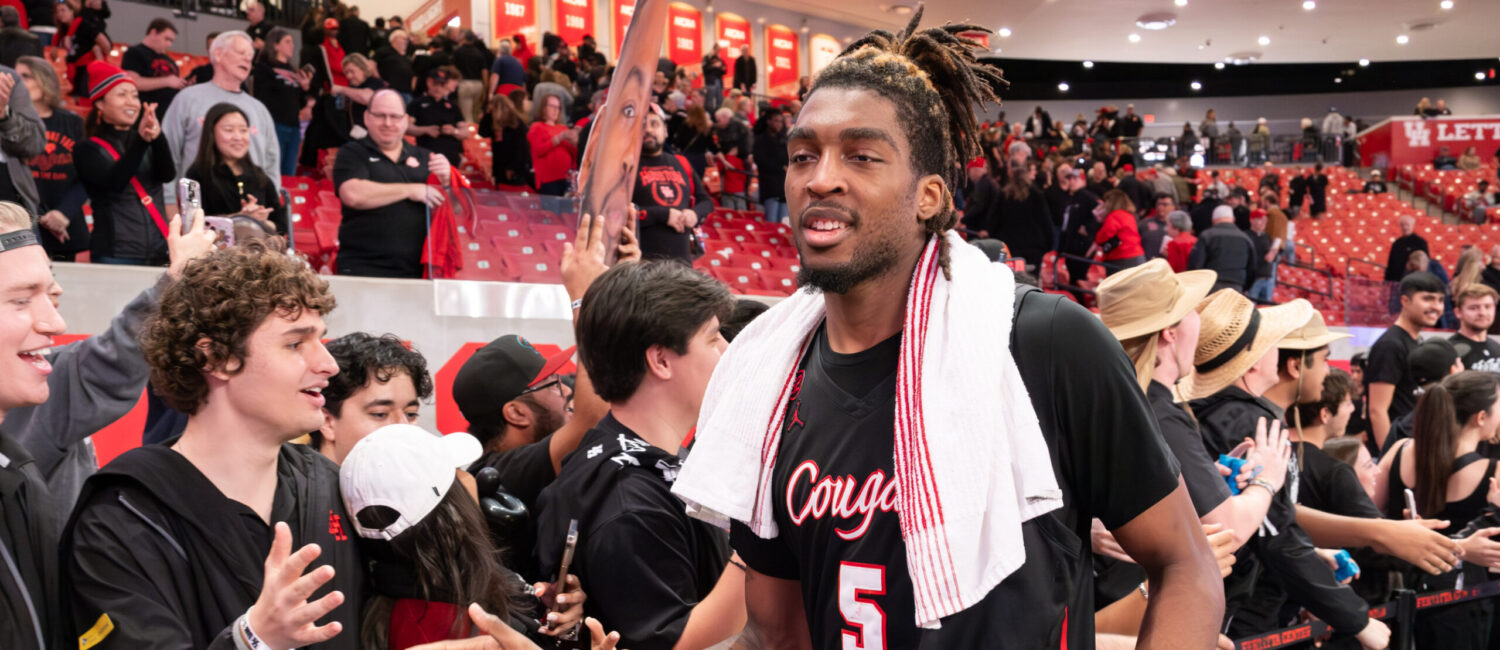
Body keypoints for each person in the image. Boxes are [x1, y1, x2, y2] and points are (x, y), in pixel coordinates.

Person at [674, 13, 1223, 648]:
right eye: (803, 155)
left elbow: (1187, 566)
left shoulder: (1043, 343)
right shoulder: (767, 377)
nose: (819, 177)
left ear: (929, 195)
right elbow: (775, 633)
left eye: (862, 155)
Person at [63, 245, 363, 649]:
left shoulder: (332, 485)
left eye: (321, 340)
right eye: (295, 344)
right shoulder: (121, 519)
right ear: (215, 357)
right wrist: (252, 641)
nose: (328, 364)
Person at [532, 260, 746, 649]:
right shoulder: (631, 503)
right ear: (661, 360)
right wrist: (763, 543)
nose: (727, 351)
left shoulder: (619, 454)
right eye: (713, 338)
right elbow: (679, 643)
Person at [1185, 292, 1391, 646]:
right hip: (1239, 612)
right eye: (1325, 361)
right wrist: (1356, 619)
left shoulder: (1247, 416)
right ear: (1293, 367)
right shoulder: (1248, 421)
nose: (1329, 373)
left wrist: (1313, 555)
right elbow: (1272, 536)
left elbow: (1272, 524)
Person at [339, 423, 606, 649]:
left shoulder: (451, 587)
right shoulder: (447, 631)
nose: (470, 477)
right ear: (450, 510)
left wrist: (554, 614)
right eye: (457, 472)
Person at [1377, 371, 1500, 650]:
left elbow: (1365, 520)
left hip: (1398, 599)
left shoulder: (1399, 450)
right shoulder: (1494, 472)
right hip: (1464, 611)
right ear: (1481, 417)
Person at [333, 89, 452, 278]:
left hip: (417, 272)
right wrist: (411, 190)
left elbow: (455, 213)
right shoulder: (352, 153)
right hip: (362, 269)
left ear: (405, 121)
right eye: (380, 116)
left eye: (394, 117)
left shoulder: (426, 157)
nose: (387, 123)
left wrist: (446, 181)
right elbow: (352, 195)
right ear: (367, 117)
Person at [162, 31, 281, 205]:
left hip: (253, 217)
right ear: (218, 54)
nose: (247, 59)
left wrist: (271, 204)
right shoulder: (187, 99)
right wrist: (169, 202)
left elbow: (271, 164)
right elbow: (168, 154)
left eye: (250, 56)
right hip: (198, 210)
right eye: (241, 53)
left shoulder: (259, 109)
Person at [77, 61, 173, 265]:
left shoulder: (143, 139)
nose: (131, 102)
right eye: (122, 95)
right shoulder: (87, 149)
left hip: (158, 251)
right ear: (100, 104)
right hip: (115, 253)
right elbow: (114, 183)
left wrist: (157, 137)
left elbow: (167, 174)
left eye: (135, 95)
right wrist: (142, 141)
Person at [310, 332, 432, 465]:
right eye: (380, 414)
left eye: (411, 414)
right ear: (326, 422)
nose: (403, 428)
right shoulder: (290, 483)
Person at [17, 56, 89, 259]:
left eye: (26, 76)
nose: (17, 81)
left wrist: (64, 212)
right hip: (22, 226)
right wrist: (42, 217)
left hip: (65, 226)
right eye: (15, 76)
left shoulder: (72, 123)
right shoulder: (9, 124)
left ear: (44, 80)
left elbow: (86, 175)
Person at [1368, 271, 1447, 452]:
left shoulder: (1416, 341)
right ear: (1405, 301)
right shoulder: (1390, 345)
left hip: (1413, 447)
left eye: (1440, 300)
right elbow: (1377, 411)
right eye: (1428, 299)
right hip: (1397, 452)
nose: (1436, 306)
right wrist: (1390, 459)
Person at [183, 102, 288, 234]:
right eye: (229, 130)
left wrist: (259, 221)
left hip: (258, 252)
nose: (238, 137)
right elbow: (193, 225)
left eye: (243, 130)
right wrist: (240, 218)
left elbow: (282, 226)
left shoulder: (259, 176)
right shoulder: (196, 176)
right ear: (211, 133)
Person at [635, 107, 711, 263]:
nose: (648, 130)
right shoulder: (627, 166)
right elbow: (617, 212)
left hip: (682, 264)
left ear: (666, 131)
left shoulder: (681, 162)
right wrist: (664, 215)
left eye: (654, 124)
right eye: (642, 125)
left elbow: (706, 202)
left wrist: (695, 214)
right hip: (642, 265)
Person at [252, 27, 312, 178]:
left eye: (292, 42)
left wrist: (305, 88)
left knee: (289, 173)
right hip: (275, 125)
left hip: (294, 127)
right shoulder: (264, 68)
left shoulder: (294, 70)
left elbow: (297, 100)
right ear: (275, 45)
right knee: (273, 172)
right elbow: (261, 98)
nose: (292, 45)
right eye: (287, 42)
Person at [120, 19, 185, 121]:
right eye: (166, 39)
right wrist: (167, 81)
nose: (169, 44)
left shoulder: (170, 60)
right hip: (144, 115)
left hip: (168, 116)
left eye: (171, 41)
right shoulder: (135, 52)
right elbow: (132, 82)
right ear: (153, 32)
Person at [995, 161, 1055, 269]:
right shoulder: (1037, 195)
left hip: (1010, 244)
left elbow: (996, 220)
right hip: (1035, 246)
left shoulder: (1004, 195)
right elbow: (1045, 220)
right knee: (1031, 279)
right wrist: (1050, 243)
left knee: (1013, 277)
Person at [1189, 205, 1257, 293]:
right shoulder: (1245, 238)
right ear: (1233, 219)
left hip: (1211, 286)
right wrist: (1244, 286)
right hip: (1236, 287)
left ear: (1213, 220)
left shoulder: (1207, 235)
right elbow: (1252, 268)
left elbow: (1196, 264)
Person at [407, 67, 466, 168]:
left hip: (451, 156)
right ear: (429, 83)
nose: (438, 88)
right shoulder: (417, 103)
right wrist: (425, 130)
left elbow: (465, 132)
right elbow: (406, 127)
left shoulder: (453, 106)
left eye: (442, 85)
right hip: (428, 155)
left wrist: (454, 131)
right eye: (435, 84)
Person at [1085, 188, 1144, 274]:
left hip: (1122, 258)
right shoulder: (1129, 215)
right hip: (1137, 256)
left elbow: (1105, 234)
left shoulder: (1114, 215)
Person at [527, 92, 576, 196]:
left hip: (566, 179)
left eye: (558, 107)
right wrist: (558, 139)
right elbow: (538, 150)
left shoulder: (563, 128)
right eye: (552, 106)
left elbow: (574, 154)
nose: (555, 110)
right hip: (548, 180)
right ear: (544, 108)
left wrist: (574, 142)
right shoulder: (537, 127)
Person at [481, 92, 531, 188]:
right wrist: (487, 114)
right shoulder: (494, 123)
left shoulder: (516, 123)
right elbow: (482, 132)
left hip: (514, 168)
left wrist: (512, 168)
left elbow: (521, 148)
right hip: (500, 167)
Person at [1450, 284, 1500, 373]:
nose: (1482, 313)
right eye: (1473, 308)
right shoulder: (1451, 350)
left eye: (1488, 307)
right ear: (1458, 312)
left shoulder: (1497, 347)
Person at [752, 107, 790, 224]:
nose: (778, 124)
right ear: (768, 121)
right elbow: (762, 161)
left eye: (780, 121)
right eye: (775, 121)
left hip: (784, 187)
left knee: (784, 223)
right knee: (771, 223)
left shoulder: (784, 140)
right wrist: (781, 167)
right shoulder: (759, 140)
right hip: (769, 186)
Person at [1385, 215, 1429, 284]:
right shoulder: (1397, 243)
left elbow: (1426, 262)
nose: (1405, 227)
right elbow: (1391, 263)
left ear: (1412, 225)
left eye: (1407, 225)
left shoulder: (1420, 242)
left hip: (1414, 281)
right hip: (1396, 281)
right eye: (1402, 225)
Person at [374, 29, 415, 97]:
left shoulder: (406, 56)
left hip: (407, 91)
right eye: (403, 39)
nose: (406, 41)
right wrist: (379, 79)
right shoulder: (383, 51)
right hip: (390, 90)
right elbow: (371, 65)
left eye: (406, 39)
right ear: (394, 39)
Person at [1247, 212, 1276, 303]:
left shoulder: (1267, 237)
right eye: (1260, 219)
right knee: (1251, 307)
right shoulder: (1247, 236)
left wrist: (1273, 254)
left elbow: (1271, 256)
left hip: (1267, 278)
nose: (1264, 222)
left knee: (1266, 308)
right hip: (1253, 278)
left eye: (1265, 220)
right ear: (1252, 220)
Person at [1140, 193, 1174, 261]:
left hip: (1168, 266)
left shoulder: (1177, 226)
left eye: (1165, 205)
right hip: (1147, 264)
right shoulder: (1144, 223)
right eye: (1159, 204)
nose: (1160, 207)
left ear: (1173, 207)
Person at [701, 43, 725, 113]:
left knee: (720, 100)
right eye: (717, 50)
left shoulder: (719, 59)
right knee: (709, 101)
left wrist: (722, 68)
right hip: (710, 82)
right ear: (713, 49)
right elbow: (704, 69)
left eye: (719, 51)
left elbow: (724, 70)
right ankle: (709, 114)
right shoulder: (707, 57)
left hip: (719, 82)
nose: (718, 52)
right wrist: (714, 65)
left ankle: (718, 114)